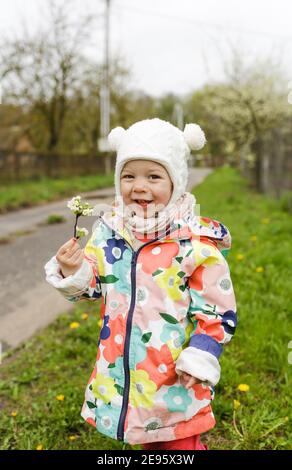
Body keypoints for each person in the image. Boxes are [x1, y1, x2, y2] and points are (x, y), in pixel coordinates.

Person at [44, 118, 237, 451]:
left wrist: (201, 355)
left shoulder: (193, 243)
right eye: (128, 176)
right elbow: (93, 287)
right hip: (122, 368)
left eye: (154, 176)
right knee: (148, 442)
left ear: (176, 183)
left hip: (175, 373)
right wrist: (75, 269)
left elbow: (218, 311)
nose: (139, 186)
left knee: (179, 445)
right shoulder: (110, 233)